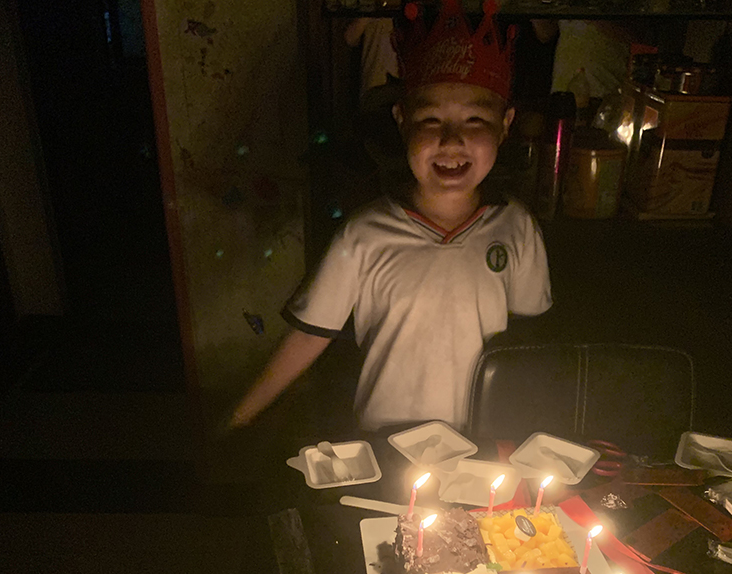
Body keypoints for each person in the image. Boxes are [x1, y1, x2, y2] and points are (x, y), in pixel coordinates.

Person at [226, 0, 552, 432]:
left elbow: (527, 344)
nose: (451, 140)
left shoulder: (517, 228)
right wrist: (238, 420)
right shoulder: (363, 235)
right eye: (431, 119)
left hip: (480, 445)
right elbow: (309, 336)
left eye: (474, 119)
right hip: (384, 444)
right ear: (401, 120)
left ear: (505, 124)